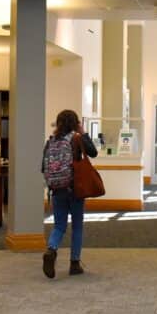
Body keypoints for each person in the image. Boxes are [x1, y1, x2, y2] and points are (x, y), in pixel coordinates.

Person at [42, 109, 97, 279]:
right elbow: (93, 152)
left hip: (57, 189)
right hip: (75, 189)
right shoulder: (76, 139)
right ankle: (74, 264)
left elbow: (43, 167)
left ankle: (51, 249)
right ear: (75, 124)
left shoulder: (51, 142)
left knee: (59, 225)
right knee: (77, 226)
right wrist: (83, 132)